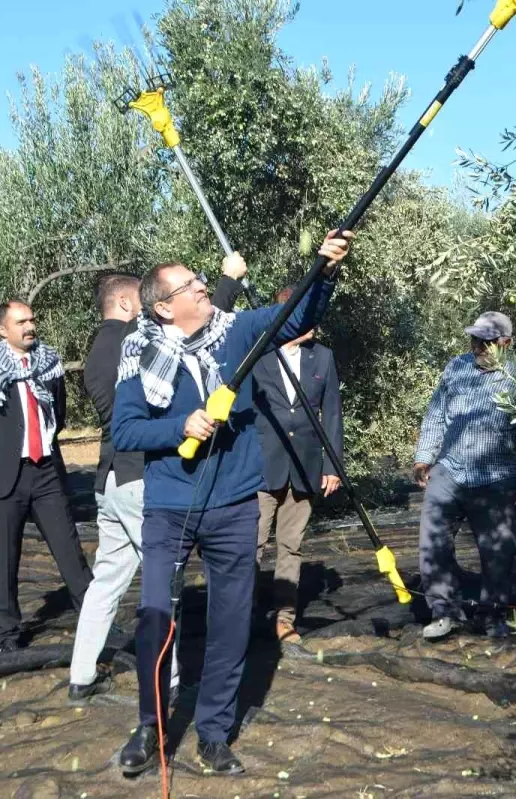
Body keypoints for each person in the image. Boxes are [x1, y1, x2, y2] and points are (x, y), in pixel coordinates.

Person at [111, 231, 353, 777]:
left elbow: (294, 315)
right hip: (169, 508)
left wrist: (326, 270)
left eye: (202, 281)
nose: (205, 287)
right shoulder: (139, 350)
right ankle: (151, 727)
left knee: (229, 621)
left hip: (236, 504)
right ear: (164, 307)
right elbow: (125, 430)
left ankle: (214, 733)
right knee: (155, 617)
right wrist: (181, 426)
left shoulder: (236, 331)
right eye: (193, 285)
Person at [67, 258, 249, 705]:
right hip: (139, 478)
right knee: (163, 586)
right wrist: (228, 283)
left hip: (107, 479)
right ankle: (166, 685)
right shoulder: (134, 344)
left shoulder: (96, 352)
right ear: (131, 302)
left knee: (108, 578)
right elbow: (195, 339)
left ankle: (81, 673)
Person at [0, 300, 93, 652]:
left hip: (45, 471)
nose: (29, 326)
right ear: (3, 330)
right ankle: (8, 636)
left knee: (70, 552)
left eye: (31, 319)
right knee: (5, 560)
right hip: (4, 479)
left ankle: (95, 622)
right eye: (20, 322)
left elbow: (58, 416)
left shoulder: (48, 363)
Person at [412, 311, 516, 641]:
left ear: (506, 343)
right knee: (433, 541)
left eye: (487, 342)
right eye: (475, 340)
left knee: (497, 550)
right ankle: (444, 611)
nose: (479, 347)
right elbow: (435, 416)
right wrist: (424, 458)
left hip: (497, 476)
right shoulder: (455, 369)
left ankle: (492, 614)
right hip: (450, 470)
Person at [252, 285, 343, 644]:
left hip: (305, 467)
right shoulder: (257, 355)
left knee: (291, 545)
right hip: (260, 466)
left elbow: (332, 413)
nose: (312, 324)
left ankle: (284, 619)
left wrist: (333, 466)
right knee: (251, 545)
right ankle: (241, 616)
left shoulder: (322, 357)